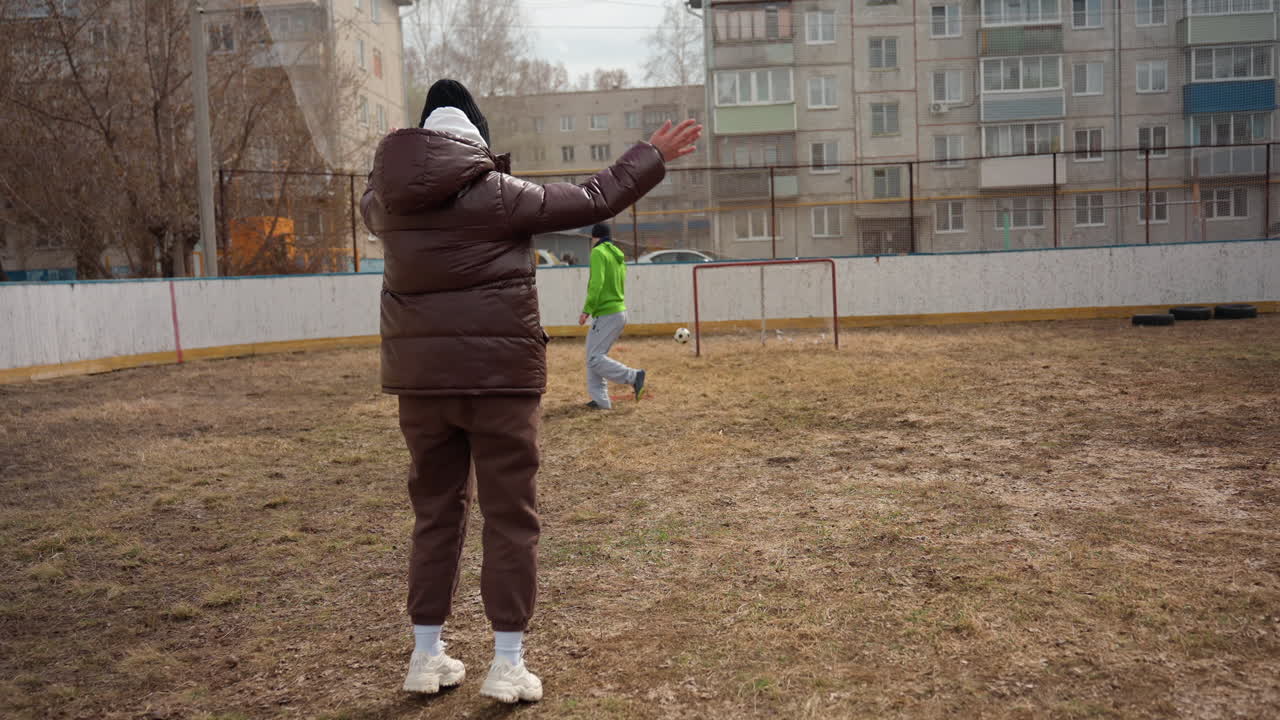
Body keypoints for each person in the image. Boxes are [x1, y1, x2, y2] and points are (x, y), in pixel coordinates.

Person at [360, 78, 702, 704]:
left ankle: (425, 654)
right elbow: (596, 196)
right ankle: (507, 663)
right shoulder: (497, 196)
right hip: (499, 385)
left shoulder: (384, 205)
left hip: (421, 387)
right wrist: (649, 154)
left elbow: (376, 187)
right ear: (477, 144)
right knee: (510, 517)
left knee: (435, 516)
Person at [578, 224, 644, 409]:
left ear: (594, 237)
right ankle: (600, 401)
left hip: (606, 313)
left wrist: (587, 310)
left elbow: (596, 284)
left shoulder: (598, 252)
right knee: (593, 355)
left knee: (594, 358)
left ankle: (633, 376)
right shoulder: (617, 255)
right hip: (617, 311)